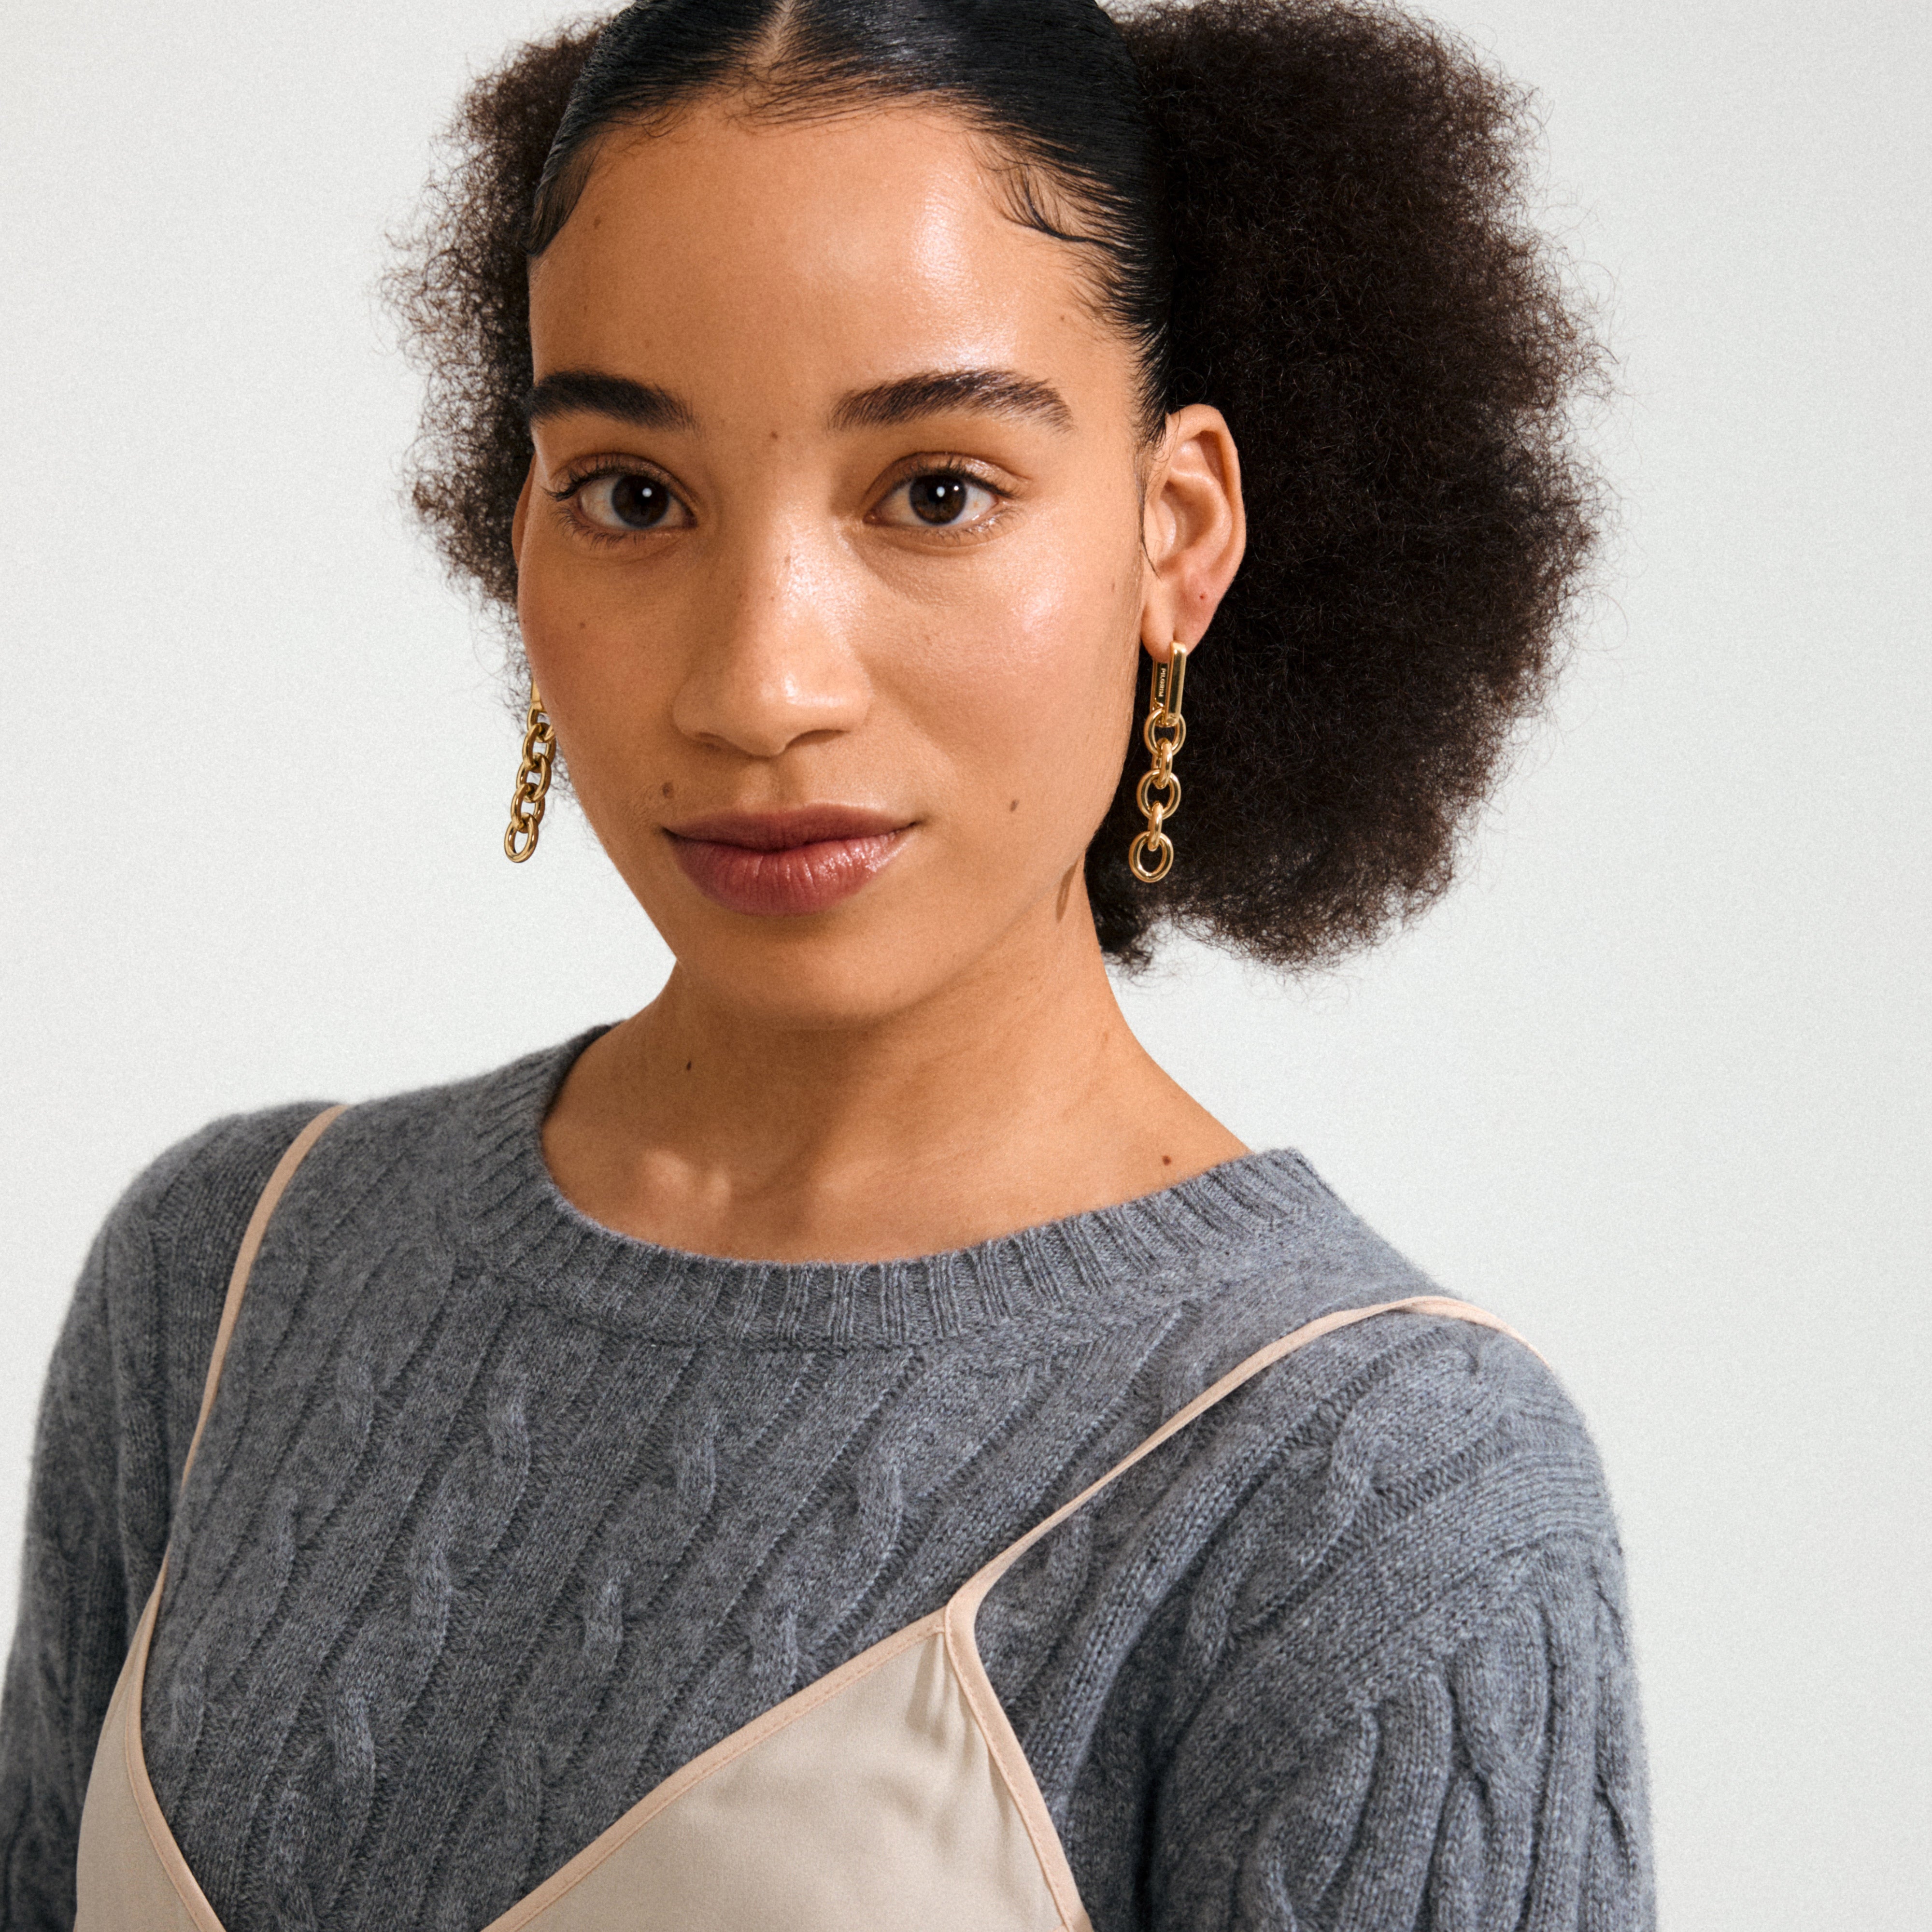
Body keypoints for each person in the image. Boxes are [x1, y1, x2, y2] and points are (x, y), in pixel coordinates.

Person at [0, 1, 1650, 1926]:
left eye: (935, 490)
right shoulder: (223, 1280)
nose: (758, 681)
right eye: (632, 493)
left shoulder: (1365, 1493)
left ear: (1172, 532)